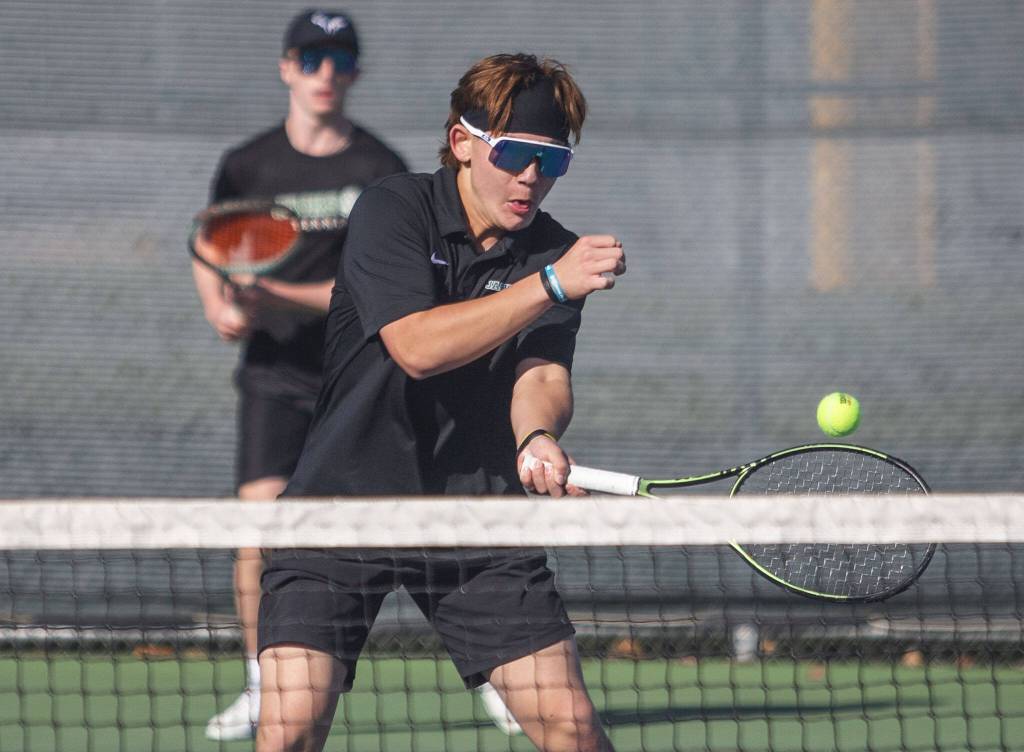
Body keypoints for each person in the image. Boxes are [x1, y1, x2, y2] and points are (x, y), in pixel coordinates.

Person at [256, 53, 625, 752]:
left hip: (473, 519)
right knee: (290, 727)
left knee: (571, 727)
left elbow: (540, 372)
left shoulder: (552, 252)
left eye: (553, 162)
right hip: (338, 508)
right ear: (462, 143)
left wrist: (537, 438)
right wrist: (549, 283)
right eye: (514, 154)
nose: (530, 177)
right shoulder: (393, 211)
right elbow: (417, 348)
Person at [191, 9, 408, 741]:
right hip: (274, 378)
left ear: (355, 72)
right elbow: (207, 241)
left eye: (340, 60)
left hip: (360, 381)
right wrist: (221, 304)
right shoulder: (249, 164)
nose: (325, 73)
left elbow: (371, 289)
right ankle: (261, 682)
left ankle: (501, 667)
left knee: (412, 532)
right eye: (311, 58)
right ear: (287, 66)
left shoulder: (379, 168)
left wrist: (272, 294)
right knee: (258, 529)